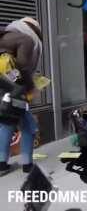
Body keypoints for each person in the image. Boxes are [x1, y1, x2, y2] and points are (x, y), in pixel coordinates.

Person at [0, 17, 43, 175]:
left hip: (3, 91)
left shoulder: (6, 37)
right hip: (15, 91)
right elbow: (23, 66)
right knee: (29, 127)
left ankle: (2, 164)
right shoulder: (27, 40)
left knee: (7, 123)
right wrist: (32, 87)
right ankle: (27, 164)